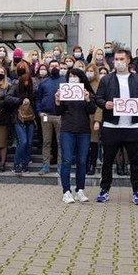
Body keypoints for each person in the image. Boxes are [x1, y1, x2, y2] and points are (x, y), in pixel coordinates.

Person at [94, 49, 138, 205]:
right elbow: (98, 98)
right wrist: (105, 104)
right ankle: (104, 190)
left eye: (121, 59)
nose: (118, 62)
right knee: (107, 161)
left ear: (128, 60)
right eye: (116, 59)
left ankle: (137, 192)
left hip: (133, 126)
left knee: (136, 162)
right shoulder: (106, 80)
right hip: (111, 126)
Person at [55, 68, 96, 203]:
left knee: (82, 161)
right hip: (67, 129)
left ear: (81, 77)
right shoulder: (64, 91)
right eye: (70, 76)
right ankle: (66, 191)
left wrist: (87, 99)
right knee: (66, 160)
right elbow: (58, 111)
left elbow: (92, 110)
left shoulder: (87, 91)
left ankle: (80, 190)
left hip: (83, 130)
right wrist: (58, 101)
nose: (73, 78)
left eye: (75, 76)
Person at [35, 60, 64, 175]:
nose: (54, 68)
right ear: (49, 68)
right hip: (46, 115)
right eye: (52, 66)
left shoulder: (65, 81)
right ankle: (45, 165)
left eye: (56, 66)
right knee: (46, 141)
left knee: (60, 142)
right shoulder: (44, 82)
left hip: (60, 116)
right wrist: (39, 112)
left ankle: (60, 166)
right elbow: (38, 99)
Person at [7, 60, 36, 174]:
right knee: (23, 141)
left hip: (30, 118)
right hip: (18, 118)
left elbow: (36, 99)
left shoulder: (33, 86)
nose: (26, 83)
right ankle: (16, 164)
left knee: (29, 142)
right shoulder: (15, 86)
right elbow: (8, 98)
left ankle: (25, 164)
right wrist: (20, 100)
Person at [84, 63, 102, 175]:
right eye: (87, 71)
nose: (89, 73)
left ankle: (92, 165)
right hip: (82, 117)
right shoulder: (82, 84)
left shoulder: (99, 85)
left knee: (93, 142)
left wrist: (97, 120)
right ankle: (85, 164)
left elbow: (99, 104)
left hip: (93, 117)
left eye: (91, 71)